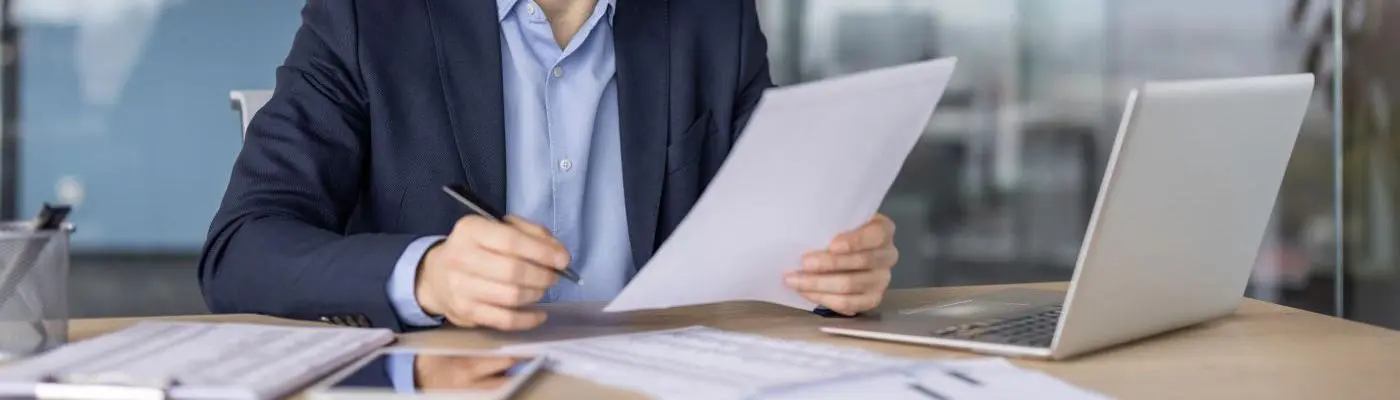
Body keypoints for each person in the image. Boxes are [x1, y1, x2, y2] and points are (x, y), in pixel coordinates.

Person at [200, 0, 899, 332]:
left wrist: (833, 267)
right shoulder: (370, 16)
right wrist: (428, 275)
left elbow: (772, 220)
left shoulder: (711, 18)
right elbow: (242, 246)